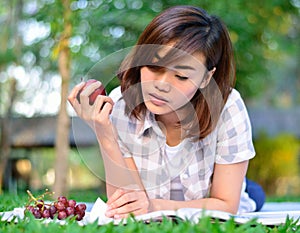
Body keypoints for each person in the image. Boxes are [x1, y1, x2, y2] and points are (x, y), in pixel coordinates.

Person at [68, 5, 265, 219]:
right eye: (153, 67)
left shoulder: (228, 106)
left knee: (253, 194)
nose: (161, 85)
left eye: (181, 76)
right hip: (164, 195)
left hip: (213, 190)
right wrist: (104, 133)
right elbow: (123, 204)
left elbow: (226, 204)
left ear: (206, 78)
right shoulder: (120, 106)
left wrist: (153, 206)